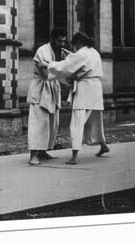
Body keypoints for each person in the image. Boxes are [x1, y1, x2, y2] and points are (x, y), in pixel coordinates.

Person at [48, 32, 109, 165]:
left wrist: (49, 65)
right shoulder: (94, 52)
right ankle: (103, 145)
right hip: (96, 89)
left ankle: (74, 156)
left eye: (74, 45)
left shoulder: (81, 54)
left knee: (77, 122)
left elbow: (67, 66)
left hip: (85, 90)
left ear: (78, 43)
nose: (74, 48)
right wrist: (71, 56)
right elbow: (82, 63)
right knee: (96, 120)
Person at [26, 28, 67, 166]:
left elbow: (62, 70)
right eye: (59, 41)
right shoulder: (42, 51)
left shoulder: (61, 52)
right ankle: (33, 155)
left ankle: (43, 151)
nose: (62, 44)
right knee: (38, 122)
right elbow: (45, 74)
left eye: (63, 41)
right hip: (41, 88)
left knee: (52, 122)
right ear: (52, 39)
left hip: (53, 88)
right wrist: (61, 68)